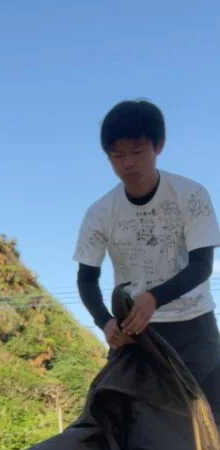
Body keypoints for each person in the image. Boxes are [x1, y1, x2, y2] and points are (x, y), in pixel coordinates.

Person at [73, 99, 220, 423]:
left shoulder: (190, 195)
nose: (128, 163)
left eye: (138, 152)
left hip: (194, 327)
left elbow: (201, 265)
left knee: (205, 422)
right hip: (135, 335)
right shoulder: (100, 213)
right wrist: (105, 322)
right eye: (117, 155)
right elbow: (86, 278)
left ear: (158, 146)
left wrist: (154, 298)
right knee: (121, 422)